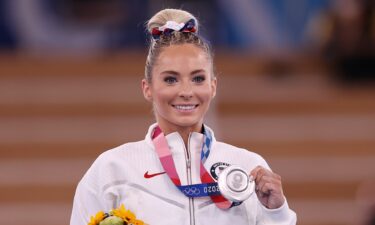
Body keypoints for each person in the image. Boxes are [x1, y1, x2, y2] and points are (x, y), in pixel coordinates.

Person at [70, 8, 297, 225]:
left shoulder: (248, 167)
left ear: (213, 86)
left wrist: (275, 213)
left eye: (198, 79)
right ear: (147, 88)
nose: (187, 92)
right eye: (171, 79)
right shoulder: (112, 169)